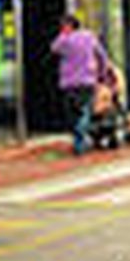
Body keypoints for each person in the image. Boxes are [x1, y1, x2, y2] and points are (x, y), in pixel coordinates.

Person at [50, 15, 110, 157]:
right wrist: (102, 73)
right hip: (87, 80)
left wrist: (63, 35)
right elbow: (102, 56)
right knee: (84, 111)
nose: (62, 28)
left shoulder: (64, 40)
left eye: (63, 26)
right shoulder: (89, 37)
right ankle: (81, 137)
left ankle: (79, 140)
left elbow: (53, 48)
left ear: (69, 26)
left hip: (69, 83)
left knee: (73, 112)